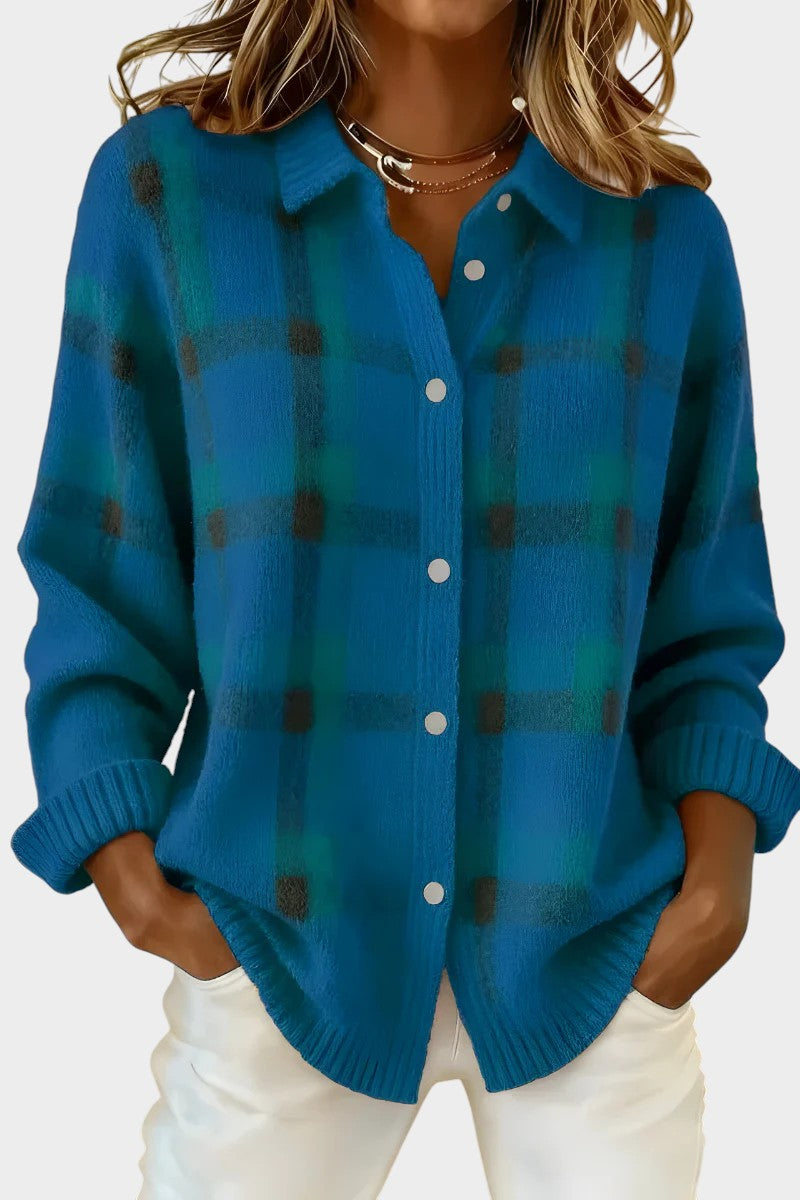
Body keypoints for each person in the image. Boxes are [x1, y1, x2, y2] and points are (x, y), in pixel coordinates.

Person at [10, 1, 799, 1197]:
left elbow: (704, 615)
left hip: (592, 947)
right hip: (279, 945)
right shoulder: (170, 196)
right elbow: (101, 565)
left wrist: (714, 889)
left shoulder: (660, 236)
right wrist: (128, 871)